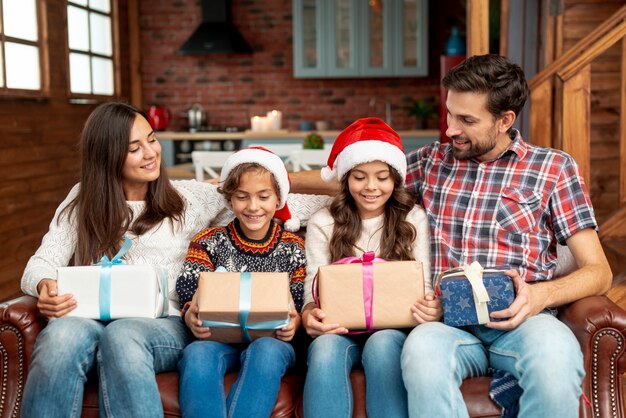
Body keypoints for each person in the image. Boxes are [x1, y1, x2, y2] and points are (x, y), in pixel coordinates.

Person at [17, 102, 325, 417]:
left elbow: (307, 199)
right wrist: (45, 286)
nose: (151, 152)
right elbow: (39, 264)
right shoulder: (82, 199)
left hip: (163, 323)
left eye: (152, 139)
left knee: (123, 334)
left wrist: (277, 174)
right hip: (89, 318)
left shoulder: (189, 198)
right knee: (58, 336)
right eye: (134, 148)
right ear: (107, 156)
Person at [399, 54, 612, 417]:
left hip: (525, 323)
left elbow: (600, 272)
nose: (451, 129)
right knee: (420, 354)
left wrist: (541, 295)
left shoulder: (553, 168)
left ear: (505, 120)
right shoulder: (432, 161)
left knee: (557, 362)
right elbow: (356, 178)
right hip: (447, 325)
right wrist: (278, 178)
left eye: (467, 120)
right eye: (450, 114)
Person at [300, 118, 439, 418]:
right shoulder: (323, 222)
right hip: (340, 329)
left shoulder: (412, 219)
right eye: (359, 177)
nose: (371, 187)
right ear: (346, 178)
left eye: (382, 177)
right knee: (324, 351)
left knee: (383, 346)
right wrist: (310, 314)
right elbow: (312, 287)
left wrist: (429, 307)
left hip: (393, 327)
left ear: (395, 180)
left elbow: (424, 285)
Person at [175, 147, 306, 418]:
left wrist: (295, 323)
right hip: (218, 340)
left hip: (273, 342)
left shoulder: (293, 246)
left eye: (264, 196)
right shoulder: (208, 241)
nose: (253, 206)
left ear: (279, 198)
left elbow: (301, 301)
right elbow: (188, 291)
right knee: (197, 355)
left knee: (266, 351)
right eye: (242, 197)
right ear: (229, 199)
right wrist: (191, 316)